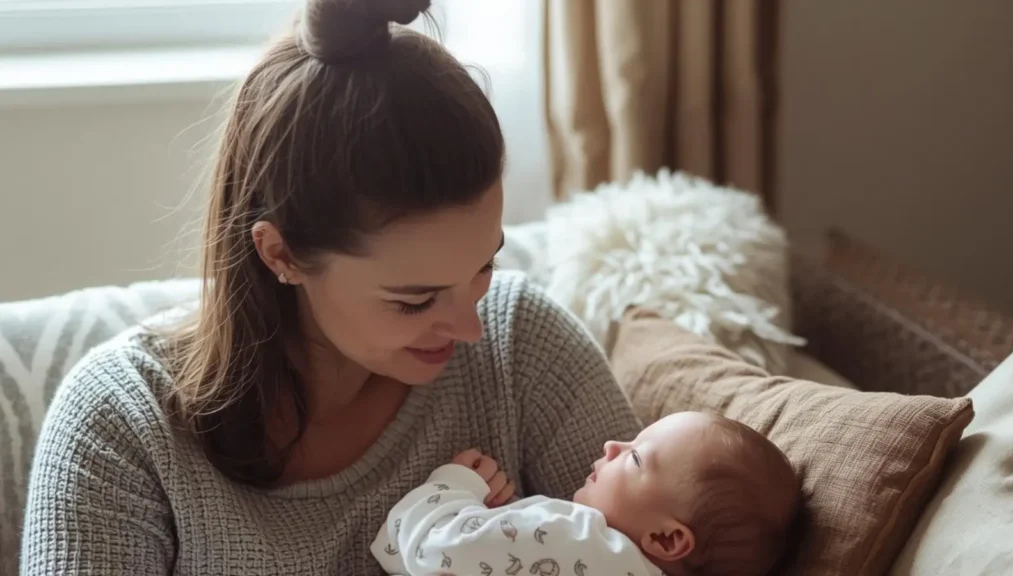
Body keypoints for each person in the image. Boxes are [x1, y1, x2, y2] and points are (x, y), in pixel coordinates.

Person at [19, 0, 641, 573]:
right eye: (415, 300)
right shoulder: (121, 427)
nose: (471, 327)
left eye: (484, 267)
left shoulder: (521, 344)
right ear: (282, 253)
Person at [372, 412, 801, 576]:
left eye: (635, 457)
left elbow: (424, 550)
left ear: (667, 538)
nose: (612, 445)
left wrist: (455, 487)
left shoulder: (577, 538)